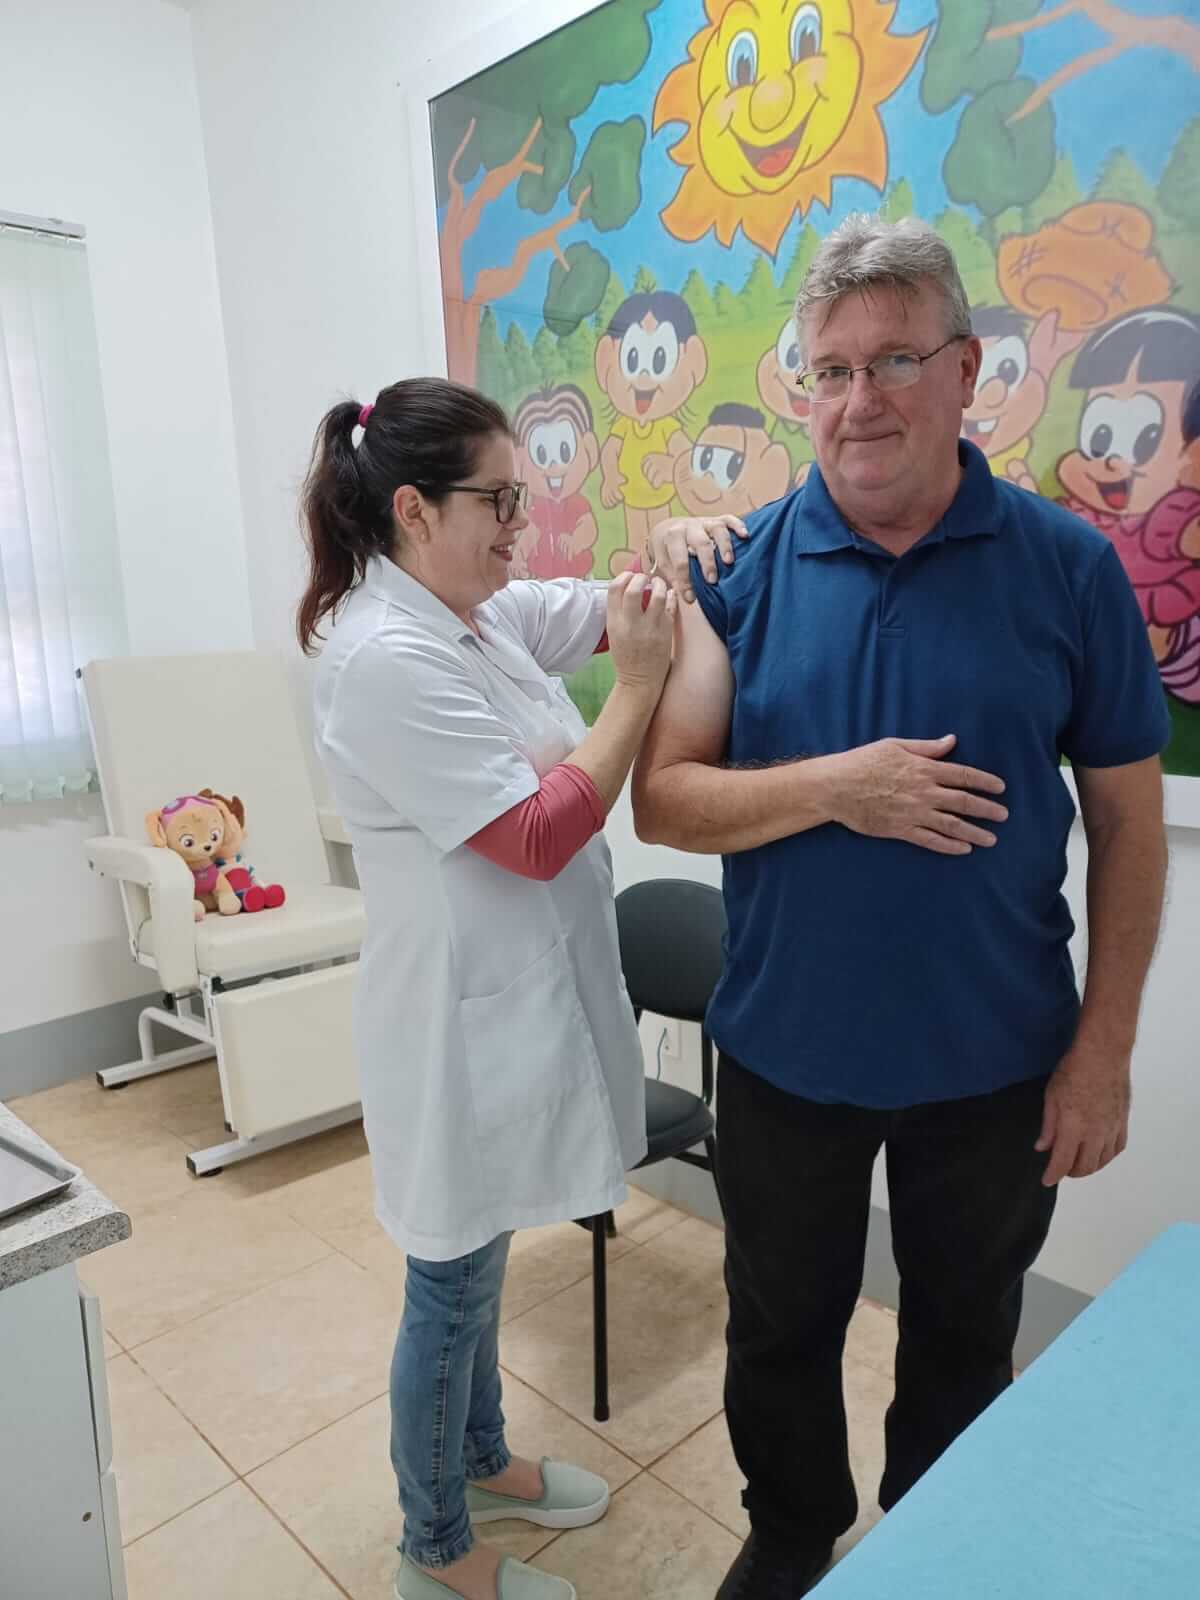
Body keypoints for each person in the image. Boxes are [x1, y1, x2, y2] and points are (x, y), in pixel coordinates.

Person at [635, 216, 1170, 1600]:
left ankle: (943, 1551)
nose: (858, 399)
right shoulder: (738, 568)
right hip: (782, 1056)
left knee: (964, 1339)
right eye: (830, 370)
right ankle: (792, 1532)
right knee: (777, 1332)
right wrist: (843, 787)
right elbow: (667, 802)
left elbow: (1129, 823)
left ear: (966, 370)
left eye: (893, 361)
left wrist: (1104, 1050)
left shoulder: (1068, 568)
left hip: (995, 1067)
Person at [300, 377, 738, 1600]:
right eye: (498, 502)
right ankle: (434, 1546)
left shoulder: (472, 612)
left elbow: (596, 608)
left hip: (511, 1003)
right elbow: (537, 835)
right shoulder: (383, 657)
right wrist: (640, 688)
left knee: (478, 1264)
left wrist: (668, 556)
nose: (519, 525)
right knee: (449, 1284)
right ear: (414, 509)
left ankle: (485, 1458)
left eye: (520, 498)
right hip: (452, 1027)